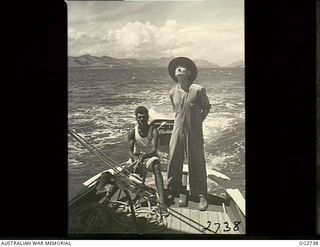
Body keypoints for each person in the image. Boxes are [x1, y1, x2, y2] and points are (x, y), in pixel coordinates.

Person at [167, 57, 211, 211]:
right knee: (174, 158)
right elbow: (175, 110)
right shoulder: (172, 91)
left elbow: (206, 108)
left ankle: (200, 194)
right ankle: (174, 188)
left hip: (194, 131)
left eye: (182, 66)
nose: (179, 68)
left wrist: (198, 122)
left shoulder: (198, 90)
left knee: (197, 161)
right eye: (177, 66)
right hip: (177, 129)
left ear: (190, 73)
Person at [127, 106, 167, 214]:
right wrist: (134, 157)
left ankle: (162, 201)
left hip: (150, 156)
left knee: (157, 168)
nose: (141, 120)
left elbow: (154, 150)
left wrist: (144, 157)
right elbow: (130, 151)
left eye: (143, 117)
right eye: (139, 117)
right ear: (136, 118)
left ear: (147, 117)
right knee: (123, 171)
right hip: (137, 157)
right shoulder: (132, 131)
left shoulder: (153, 130)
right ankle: (110, 198)